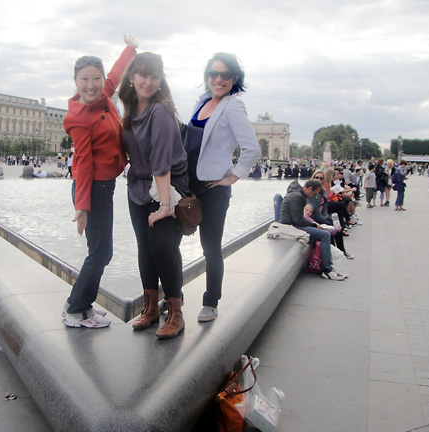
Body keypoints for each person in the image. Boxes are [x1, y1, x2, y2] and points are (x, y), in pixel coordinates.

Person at [61, 35, 138, 329]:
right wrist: (82, 207)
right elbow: (82, 162)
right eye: (84, 80)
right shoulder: (78, 118)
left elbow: (118, 73)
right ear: (75, 81)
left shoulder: (104, 94)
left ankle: (83, 305)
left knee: (100, 251)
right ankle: (75, 308)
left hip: (104, 185)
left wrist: (131, 48)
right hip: (92, 187)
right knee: (101, 252)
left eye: (96, 78)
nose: (91, 85)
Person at [182, 52, 261, 322]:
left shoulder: (233, 106)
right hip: (187, 184)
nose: (218, 79)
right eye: (213, 73)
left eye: (225, 74)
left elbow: (252, 148)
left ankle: (211, 301)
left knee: (210, 247)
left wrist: (233, 176)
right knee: (170, 241)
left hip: (214, 188)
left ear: (234, 79)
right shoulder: (200, 102)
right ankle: (173, 297)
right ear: (206, 76)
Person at [120, 52, 189, 339]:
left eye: (154, 76)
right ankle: (150, 308)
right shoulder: (129, 110)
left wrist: (164, 206)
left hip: (168, 187)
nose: (148, 81)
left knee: (162, 247)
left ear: (160, 81)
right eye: (143, 75)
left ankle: (175, 311)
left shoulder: (159, 112)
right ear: (132, 78)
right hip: (138, 187)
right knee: (144, 249)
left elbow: (161, 163)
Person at [279, 179, 347, 281]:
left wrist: (314, 225)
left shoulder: (296, 194)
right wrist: (315, 225)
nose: (314, 197)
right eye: (314, 194)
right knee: (325, 235)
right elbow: (298, 220)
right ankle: (327, 269)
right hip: (290, 226)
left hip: (292, 224)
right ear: (310, 189)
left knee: (323, 233)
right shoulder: (297, 197)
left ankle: (327, 266)